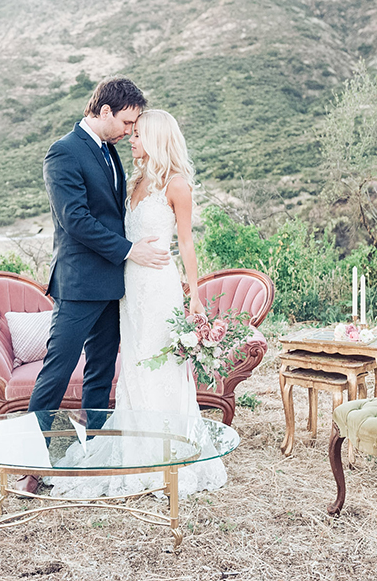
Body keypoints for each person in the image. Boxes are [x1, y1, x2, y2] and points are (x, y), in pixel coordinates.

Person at [47, 108, 227, 499]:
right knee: (132, 367)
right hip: (128, 288)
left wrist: (194, 293)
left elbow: (187, 243)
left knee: (160, 365)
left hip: (160, 286)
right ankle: (136, 447)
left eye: (139, 134)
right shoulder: (134, 181)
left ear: (157, 139)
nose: (131, 139)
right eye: (131, 132)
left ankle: (169, 451)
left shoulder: (176, 185)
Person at [18, 78, 170, 494]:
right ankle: (41, 465)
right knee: (56, 373)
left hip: (112, 286)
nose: (129, 131)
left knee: (101, 376)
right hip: (79, 284)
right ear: (103, 111)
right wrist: (130, 251)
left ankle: (94, 455)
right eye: (126, 121)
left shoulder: (109, 152)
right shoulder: (63, 152)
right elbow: (76, 220)